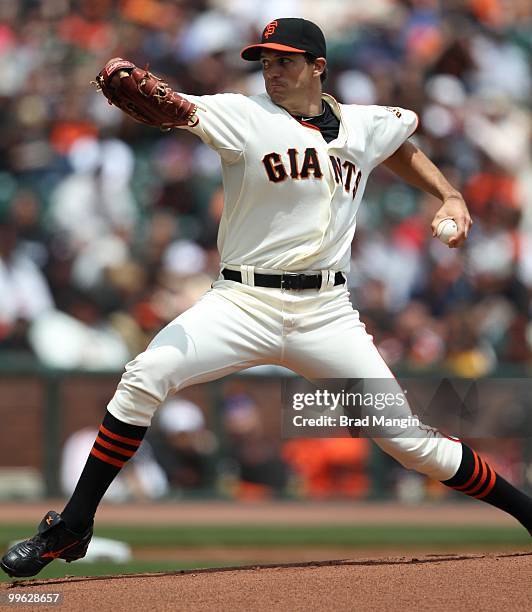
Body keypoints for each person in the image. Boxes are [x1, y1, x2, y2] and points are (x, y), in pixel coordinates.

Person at [2, 17, 530, 579]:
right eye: (266, 60)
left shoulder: (365, 123)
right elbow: (182, 108)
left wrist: (448, 193)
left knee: (410, 444)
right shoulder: (244, 114)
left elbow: (395, 145)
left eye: (284, 60)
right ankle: (74, 524)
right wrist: (171, 105)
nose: (272, 71)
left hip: (327, 315)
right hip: (241, 303)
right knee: (145, 375)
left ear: (317, 66)